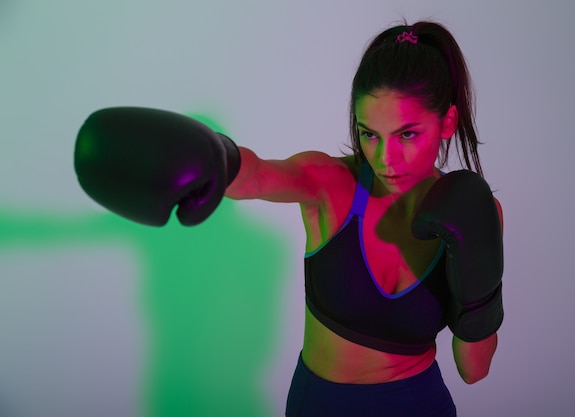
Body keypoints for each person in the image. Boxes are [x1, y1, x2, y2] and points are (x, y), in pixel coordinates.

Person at [74, 20, 503, 417]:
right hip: (319, 404)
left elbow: (474, 369)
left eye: (407, 134)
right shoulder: (331, 184)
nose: (385, 158)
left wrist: (478, 268)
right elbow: (258, 176)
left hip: (416, 404)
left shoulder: (475, 212)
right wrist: (214, 158)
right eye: (370, 134)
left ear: (447, 122)